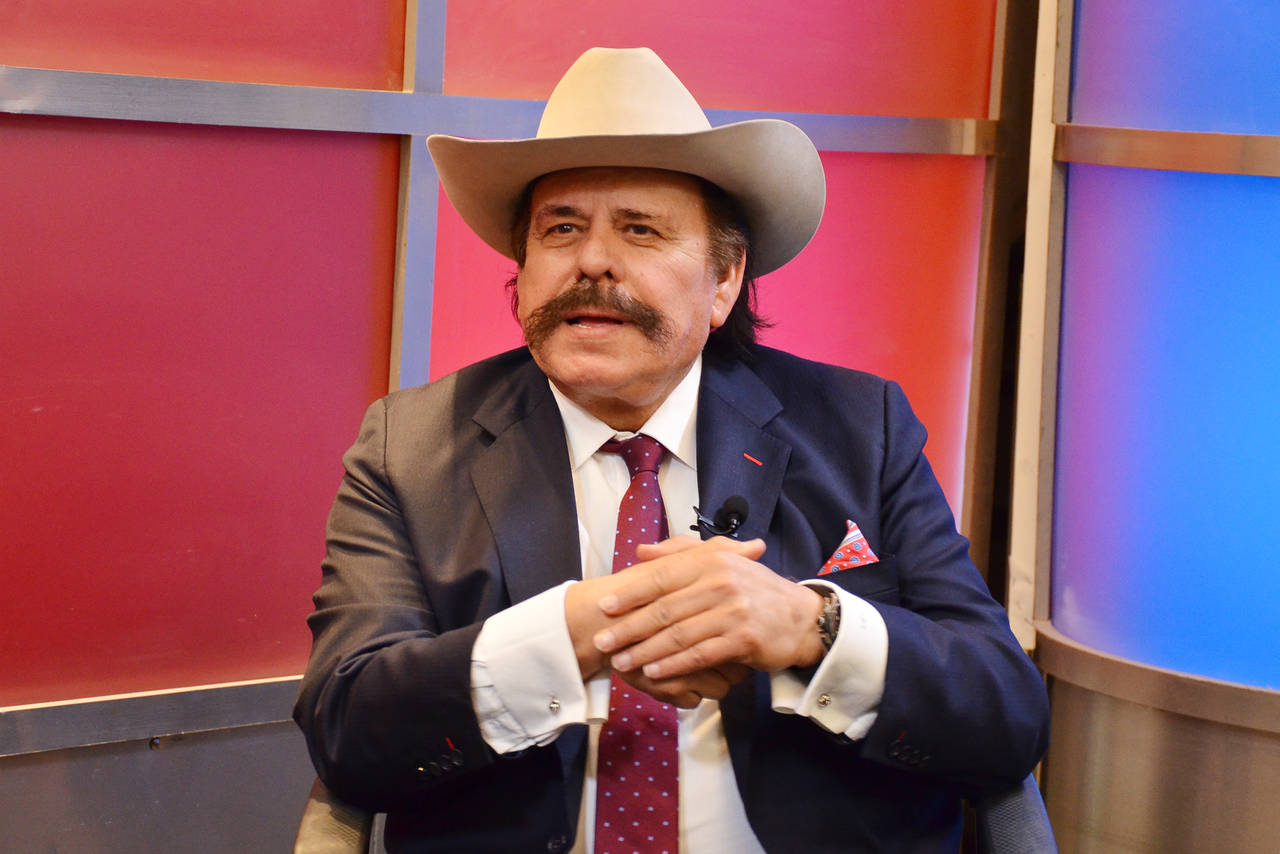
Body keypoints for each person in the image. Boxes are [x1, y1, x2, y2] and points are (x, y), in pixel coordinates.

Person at [294, 47, 1049, 853]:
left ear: (724, 280)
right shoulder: (411, 448)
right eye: (561, 228)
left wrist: (811, 627)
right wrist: (578, 631)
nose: (592, 260)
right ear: (523, 270)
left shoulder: (861, 428)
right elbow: (348, 729)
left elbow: (1004, 712)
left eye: (641, 230)